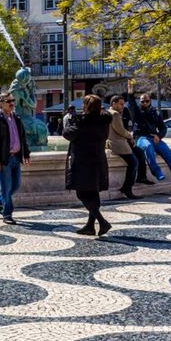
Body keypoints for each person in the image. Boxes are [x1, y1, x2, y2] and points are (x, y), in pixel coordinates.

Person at [63, 94, 113, 236]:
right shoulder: (104, 121)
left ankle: (102, 222)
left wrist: (71, 122)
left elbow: (67, 134)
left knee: (82, 193)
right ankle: (90, 226)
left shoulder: (82, 123)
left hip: (84, 162)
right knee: (93, 193)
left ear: (86, 106)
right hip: (98, 160)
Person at [126, 88, 171, 188]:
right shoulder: (136, 111)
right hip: (141, 137)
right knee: (148, 147)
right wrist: (130, 94)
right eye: (142, 101)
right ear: (140, 102)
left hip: (155, 137)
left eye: (147, 101)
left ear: (150, 101)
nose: (144, 102)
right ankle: (157, 172)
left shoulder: (155, 112)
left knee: (169, 155)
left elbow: (163, 127)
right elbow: (131, 104)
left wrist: (159, 135)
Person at [0, 91, 31, 225]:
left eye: (13, 100)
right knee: (6, 188)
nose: (12, 103)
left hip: (16, 158)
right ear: (1, 104)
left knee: (16, 185)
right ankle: (7, 213)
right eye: (9, 101)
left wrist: (26, 153)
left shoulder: (16, 118)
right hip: (4, 158)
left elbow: (22, 137)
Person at [107, 94, 138, 199]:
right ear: (113, 104)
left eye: (123, 104)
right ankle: (127, 189)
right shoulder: (115, 114)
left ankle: (127, 188)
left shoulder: (108, 112)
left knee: (136, 158)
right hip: (118, 144)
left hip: (112, 143)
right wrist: (130, 136)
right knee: (134, 163)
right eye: (120, 104)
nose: (122, 106)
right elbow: (120, 130)